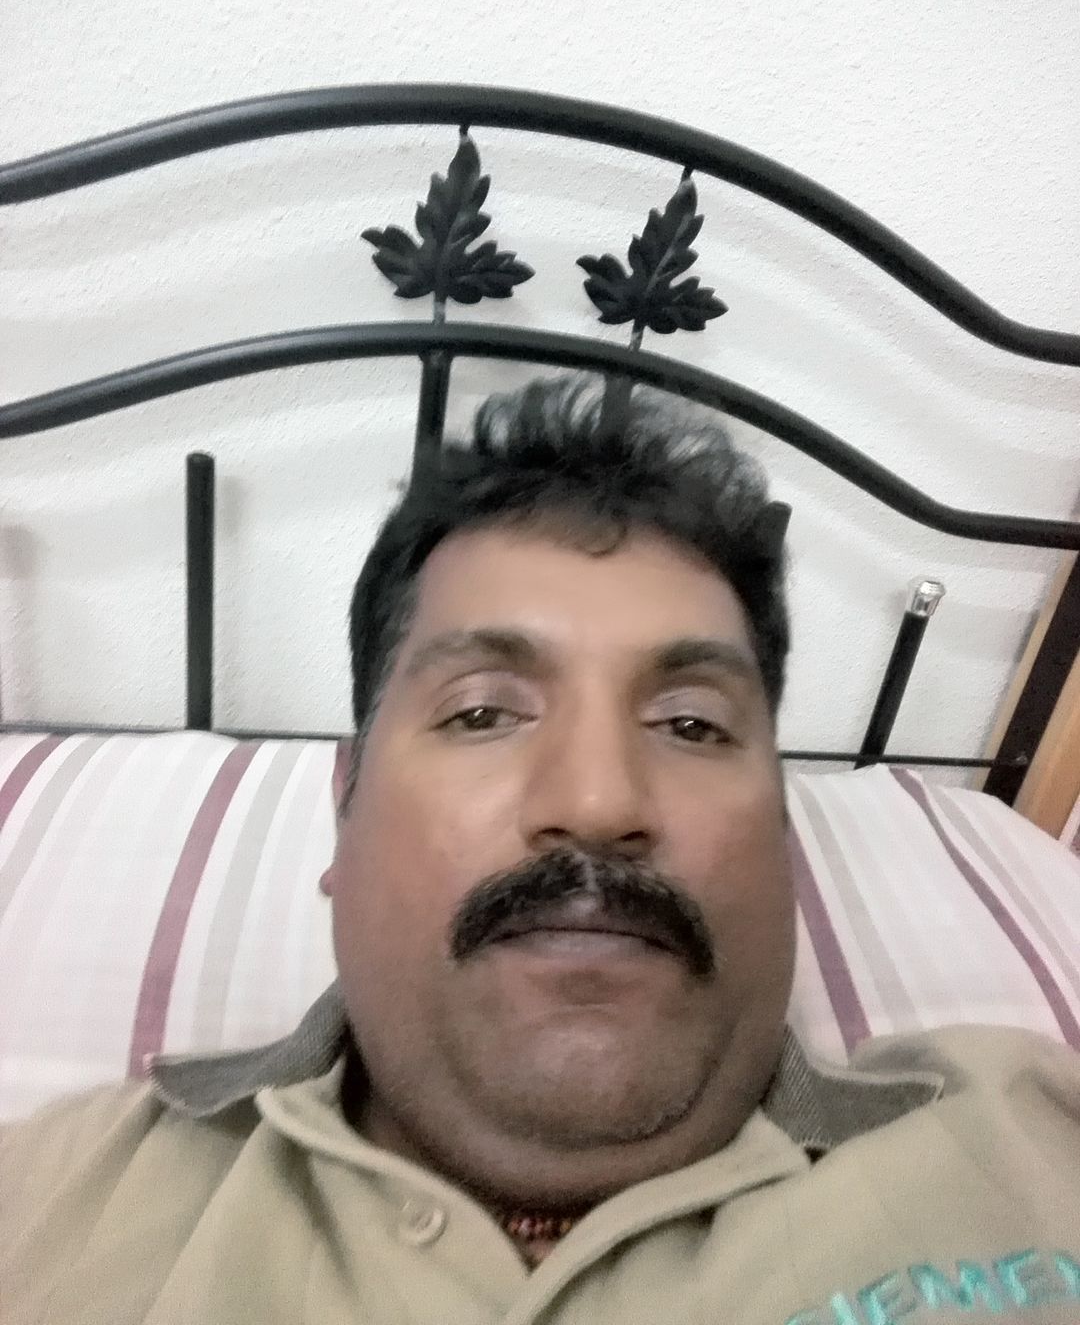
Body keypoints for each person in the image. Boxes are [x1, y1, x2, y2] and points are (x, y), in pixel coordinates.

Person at [2, 379, 1078, 1325]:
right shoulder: (46, 1204)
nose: (598, 802)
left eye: (693, 724)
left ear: (783, 835)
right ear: (345, 806)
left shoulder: (1032, 1144)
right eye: (481, 713)